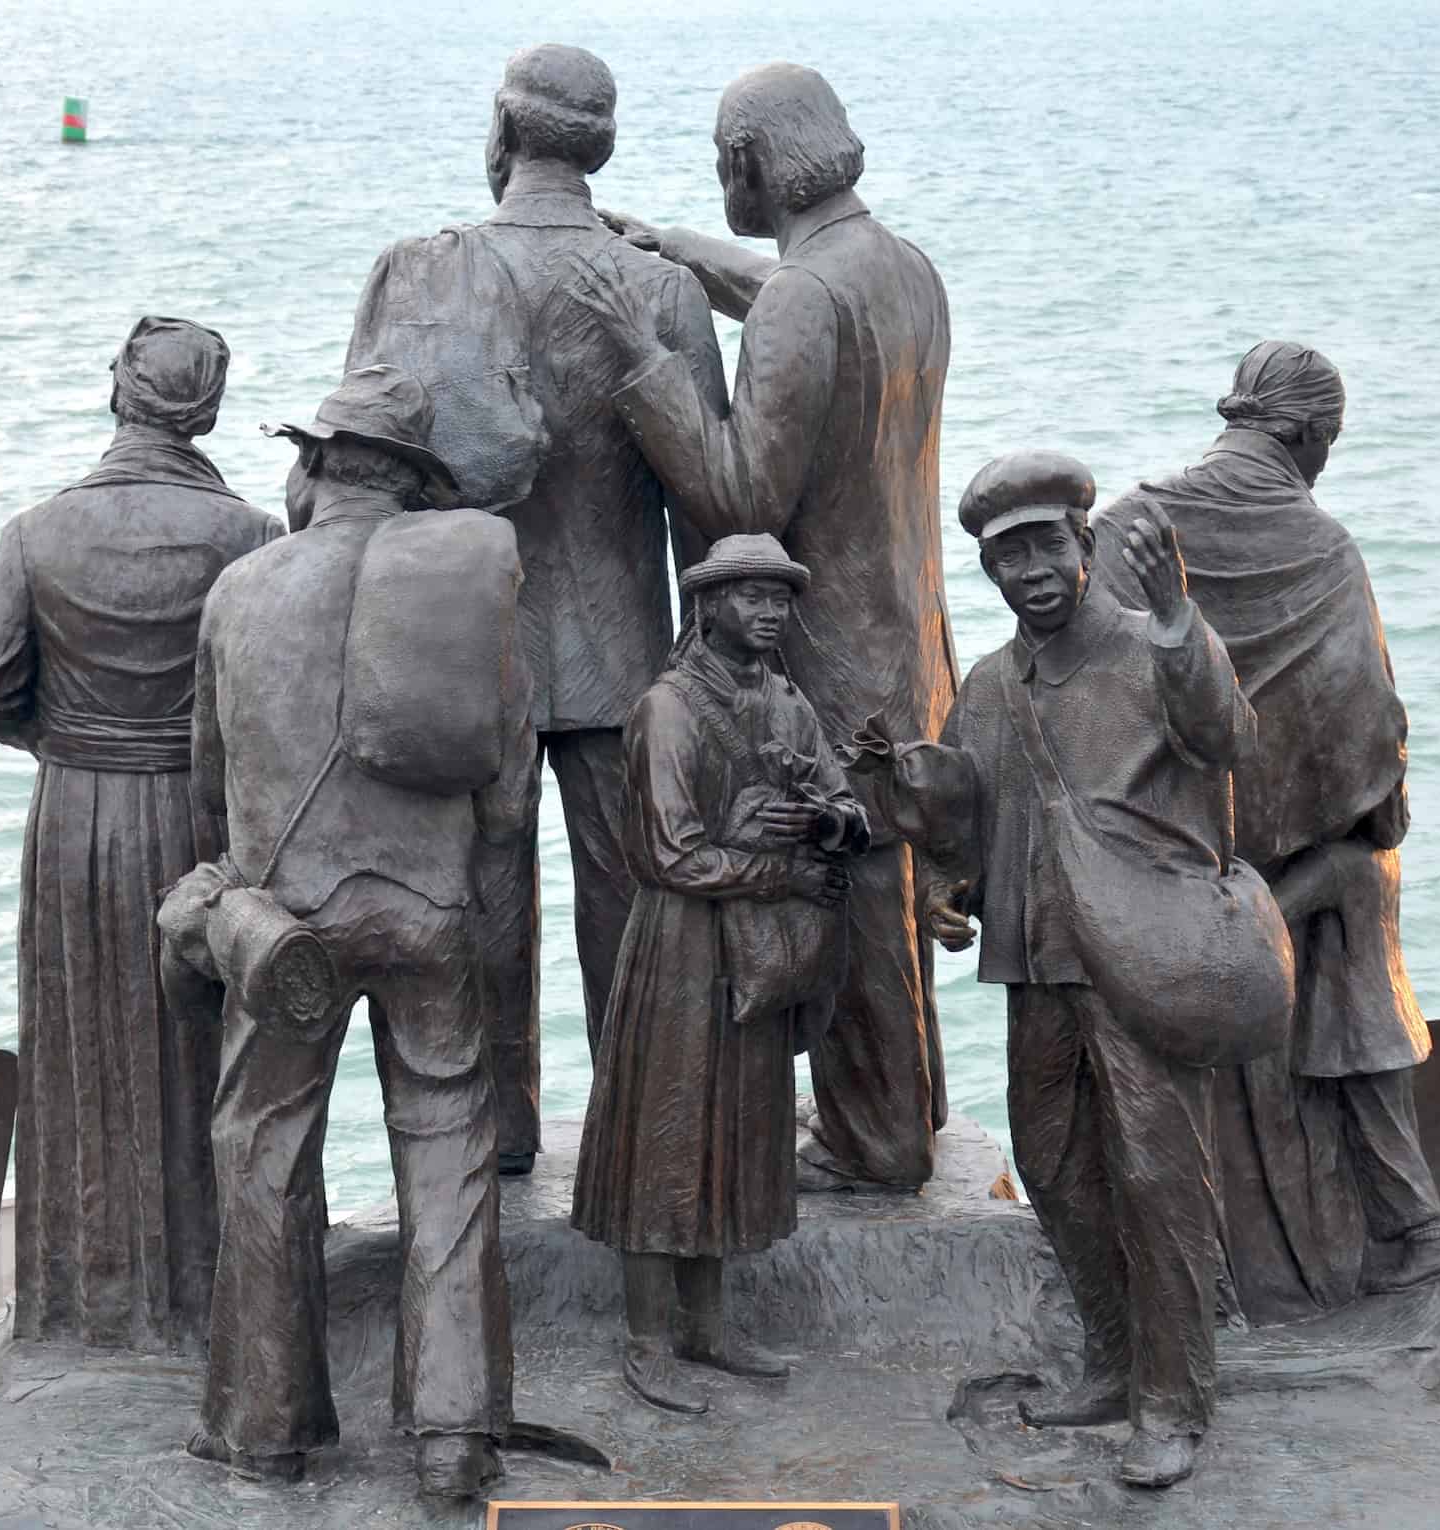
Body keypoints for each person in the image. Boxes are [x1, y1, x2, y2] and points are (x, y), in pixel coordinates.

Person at [572, 61, 957, 1193]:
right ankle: (908, 1111)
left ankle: (875, 1139)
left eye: (718, 162)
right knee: (887, 880)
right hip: (908, 631)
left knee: (847, 897)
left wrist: (641, 366)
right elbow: (796, 299)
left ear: (750, 162)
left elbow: (742, 504)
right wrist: (678, 247)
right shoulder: (897, 264)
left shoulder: (804, 298)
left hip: (829, 645)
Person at [346, 44, 726, 1173]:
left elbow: (355, 480)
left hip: (466, 650)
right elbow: (708, 505)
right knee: (637, 905)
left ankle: (491, 1131)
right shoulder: (660, 288)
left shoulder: (420, 273)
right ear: (601, 149)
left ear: (499, 137)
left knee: (475, 900)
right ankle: (635, 1141)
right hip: (624, 654)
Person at [180, 367, 532, 1497]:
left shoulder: (239, 589)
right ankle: (452, 1439)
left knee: (266, 1155)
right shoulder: (466, 593)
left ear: (314, 466)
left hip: (286, 924)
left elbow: (207, 787)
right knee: (448, 1158)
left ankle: (268, 1435)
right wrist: (463, 887)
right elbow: (513, 794)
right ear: (412, 486)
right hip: (430, 917)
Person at [877, 451, 1259, 1488]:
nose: (1031, 570)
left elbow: (1226, 734)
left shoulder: (1153, 649)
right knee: (1052, 1164)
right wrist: (940, 885)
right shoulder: (993, 688)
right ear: (990, 573)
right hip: (1040, 964)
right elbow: (967, 828)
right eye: (1007, 556)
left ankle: (1175, 1401)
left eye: (1047, 544)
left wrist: (1182, 616)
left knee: (1156, 1173)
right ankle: (1111, 1361)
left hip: (1143, 964)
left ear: (1084, 547)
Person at [1094, 342, 1440, 1322]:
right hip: (1269, 883)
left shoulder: (1133, 522)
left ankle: (1387, 1239)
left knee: (1346, 897)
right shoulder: (1322, 547)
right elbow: (1368, 721)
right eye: (1328, 442)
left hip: (1165, 867)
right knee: (1363, 881)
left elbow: (1088, 696)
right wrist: (1363, 819)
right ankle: (1411, 1235)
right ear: (1304, 435)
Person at [0, 316, 280, 1353]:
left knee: (78, 1042)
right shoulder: (252, 537)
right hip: (197, 816)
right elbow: (270, 706)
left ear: (117, 395)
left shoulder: (36, 531)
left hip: (73, 816)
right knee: (207, 1050)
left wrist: (70, 744)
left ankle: (77, 1302)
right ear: (209, 411)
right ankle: (213, 1296)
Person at [572, 533, 870, 1414]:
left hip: (758, 955)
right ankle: (647, 1337)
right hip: (681, 948)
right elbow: (668, 854)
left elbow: (844, 799)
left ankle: (707, 1324)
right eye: (749, 595)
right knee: (664, 1137)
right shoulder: (669, 708)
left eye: (779, 595)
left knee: (737, 1131)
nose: (769, 610)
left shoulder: (786, 700)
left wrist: (828, 823)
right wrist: (774, 863)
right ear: (707, 606)